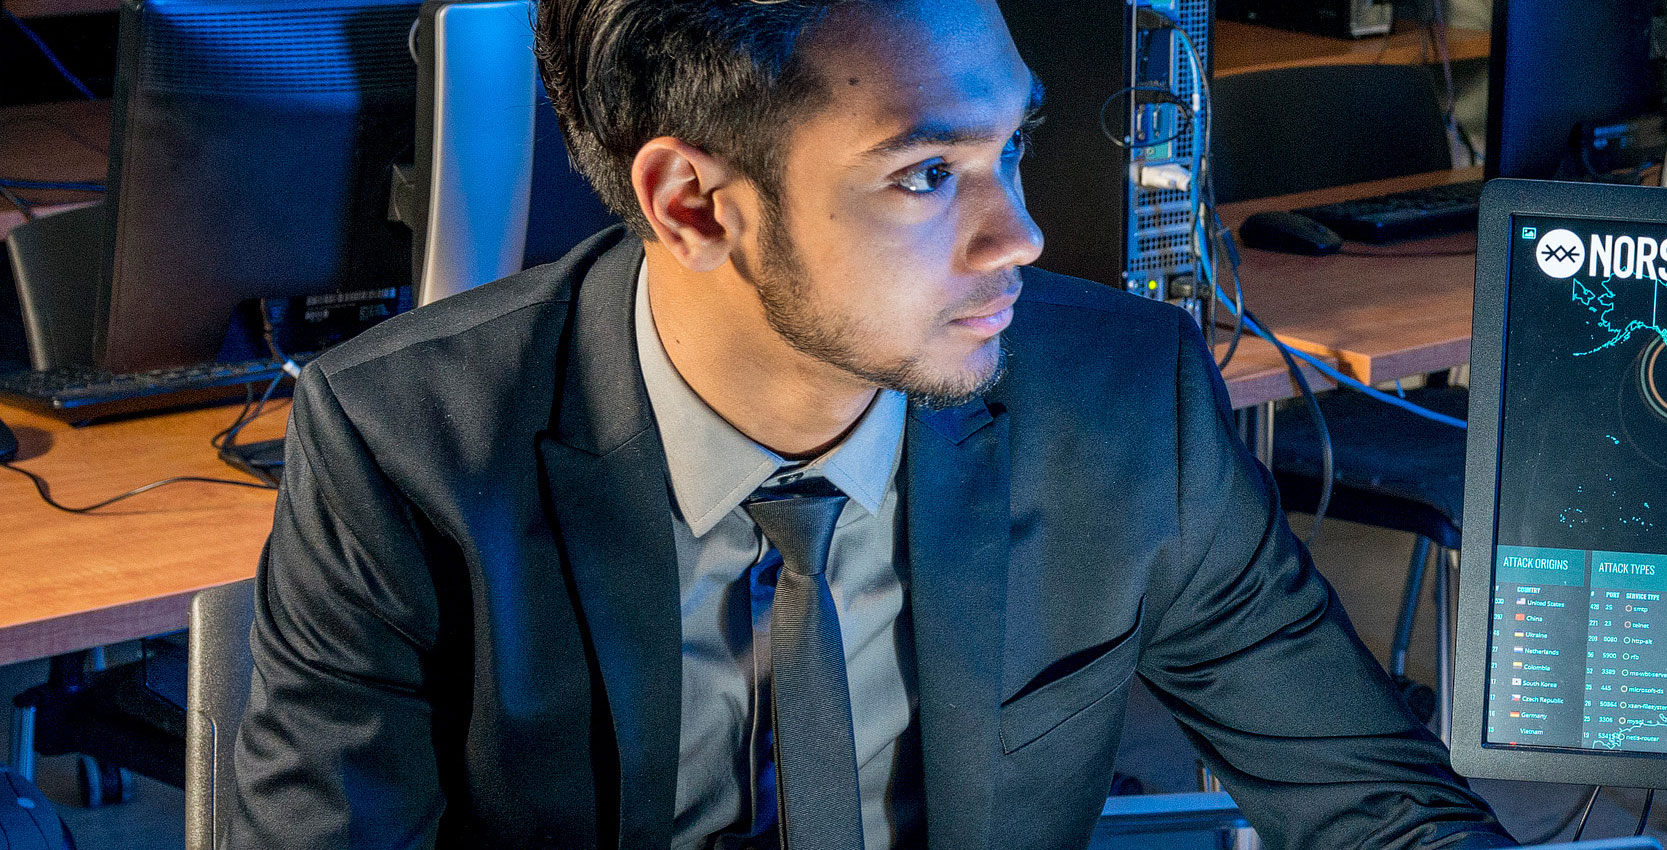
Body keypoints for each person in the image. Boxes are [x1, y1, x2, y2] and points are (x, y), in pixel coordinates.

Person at [229, 0, 1514, 847]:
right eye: (924, 174)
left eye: (1013, 147)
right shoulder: (406, 447)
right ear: (692, 205)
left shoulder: (1122, 396)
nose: (1023, 233)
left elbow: (1373, 805)